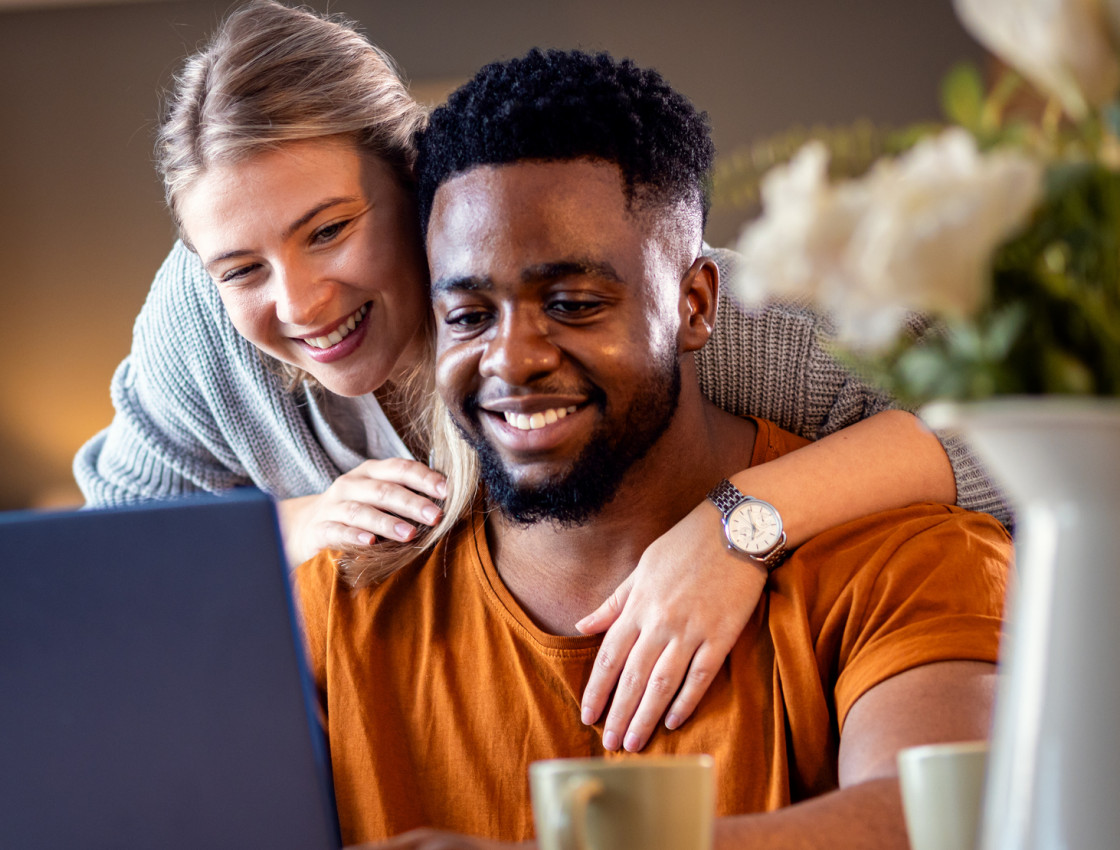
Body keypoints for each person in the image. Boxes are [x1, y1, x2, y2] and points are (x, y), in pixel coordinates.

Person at [74, 0, 1008, 751]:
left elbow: (1014, 427)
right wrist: (291, 526)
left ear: (422, 187)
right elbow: (105, 562)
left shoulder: (653, 313)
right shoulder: (206, 324)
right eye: (239, 267)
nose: (302, 300)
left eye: (328, 230)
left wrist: (737, 527)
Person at [292, 48, 1010, 850]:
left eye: (572, 304)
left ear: (695, 304)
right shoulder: (336, 614)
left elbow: (936, 822)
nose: (512, 358)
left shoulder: (903, 559)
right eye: (468, 317)